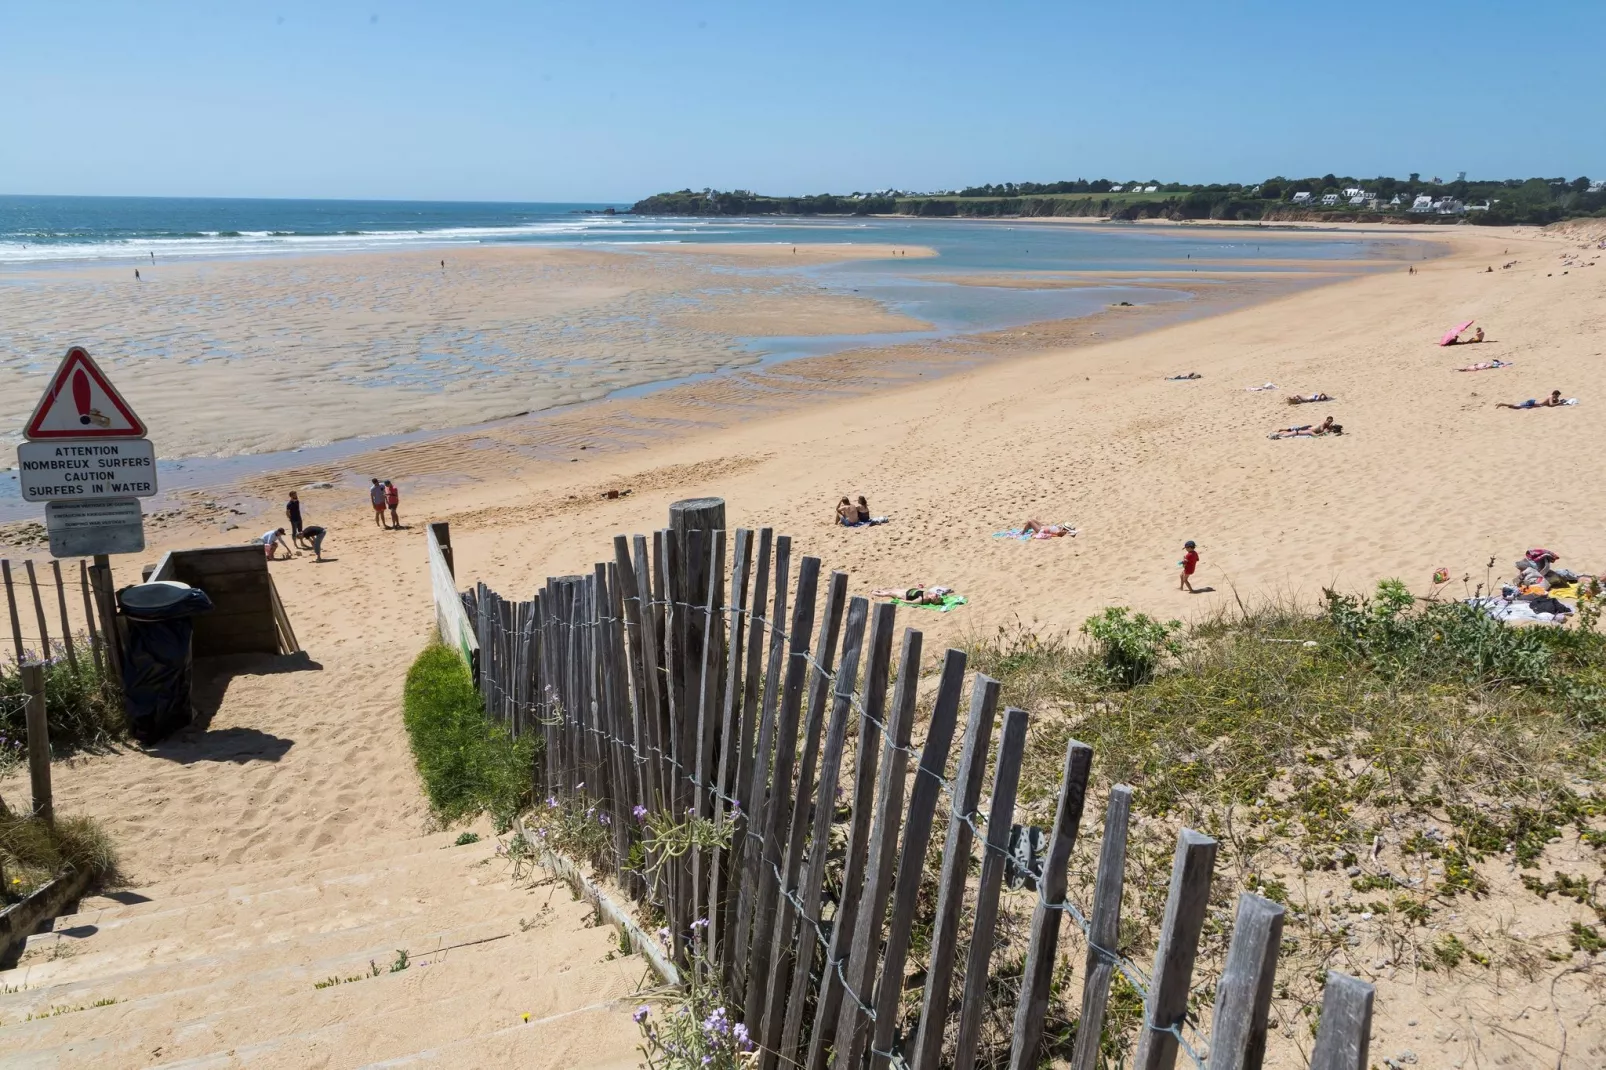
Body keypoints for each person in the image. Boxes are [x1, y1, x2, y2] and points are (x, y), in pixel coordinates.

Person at [1497, 390, 1564, 410]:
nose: (1558, 397)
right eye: (1558, 395)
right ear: (1555, 394)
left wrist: (1558, 401)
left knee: (1516, 407)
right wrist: (1559, 403)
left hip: (1533, 403)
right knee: (1516, 406)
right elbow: (1552, 405)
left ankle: (1504, 405)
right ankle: (1502, 403)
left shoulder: (1552, 397)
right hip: (1533, 403)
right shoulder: (1551, 397)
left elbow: (1551, 404)